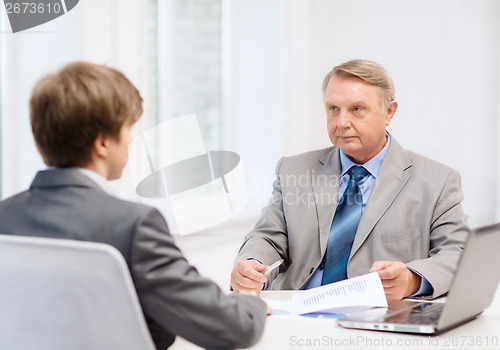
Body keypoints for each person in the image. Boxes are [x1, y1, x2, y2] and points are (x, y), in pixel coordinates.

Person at [0, 62, 268, 350]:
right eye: (128, 128)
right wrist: (248, 300)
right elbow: (235, 329)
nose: (130, 140)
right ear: (102, 143)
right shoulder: (134, 225)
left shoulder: (5, 216)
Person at [231, 59, 469, 301]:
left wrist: (412, 279)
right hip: (296, 312)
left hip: (379, 320)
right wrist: (252, 263)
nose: (342, 122)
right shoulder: (293, 169)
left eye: (357, 109)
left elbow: (458, 252)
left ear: (389, 112)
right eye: (333, 108)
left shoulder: (437, 181)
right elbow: (269, 236)